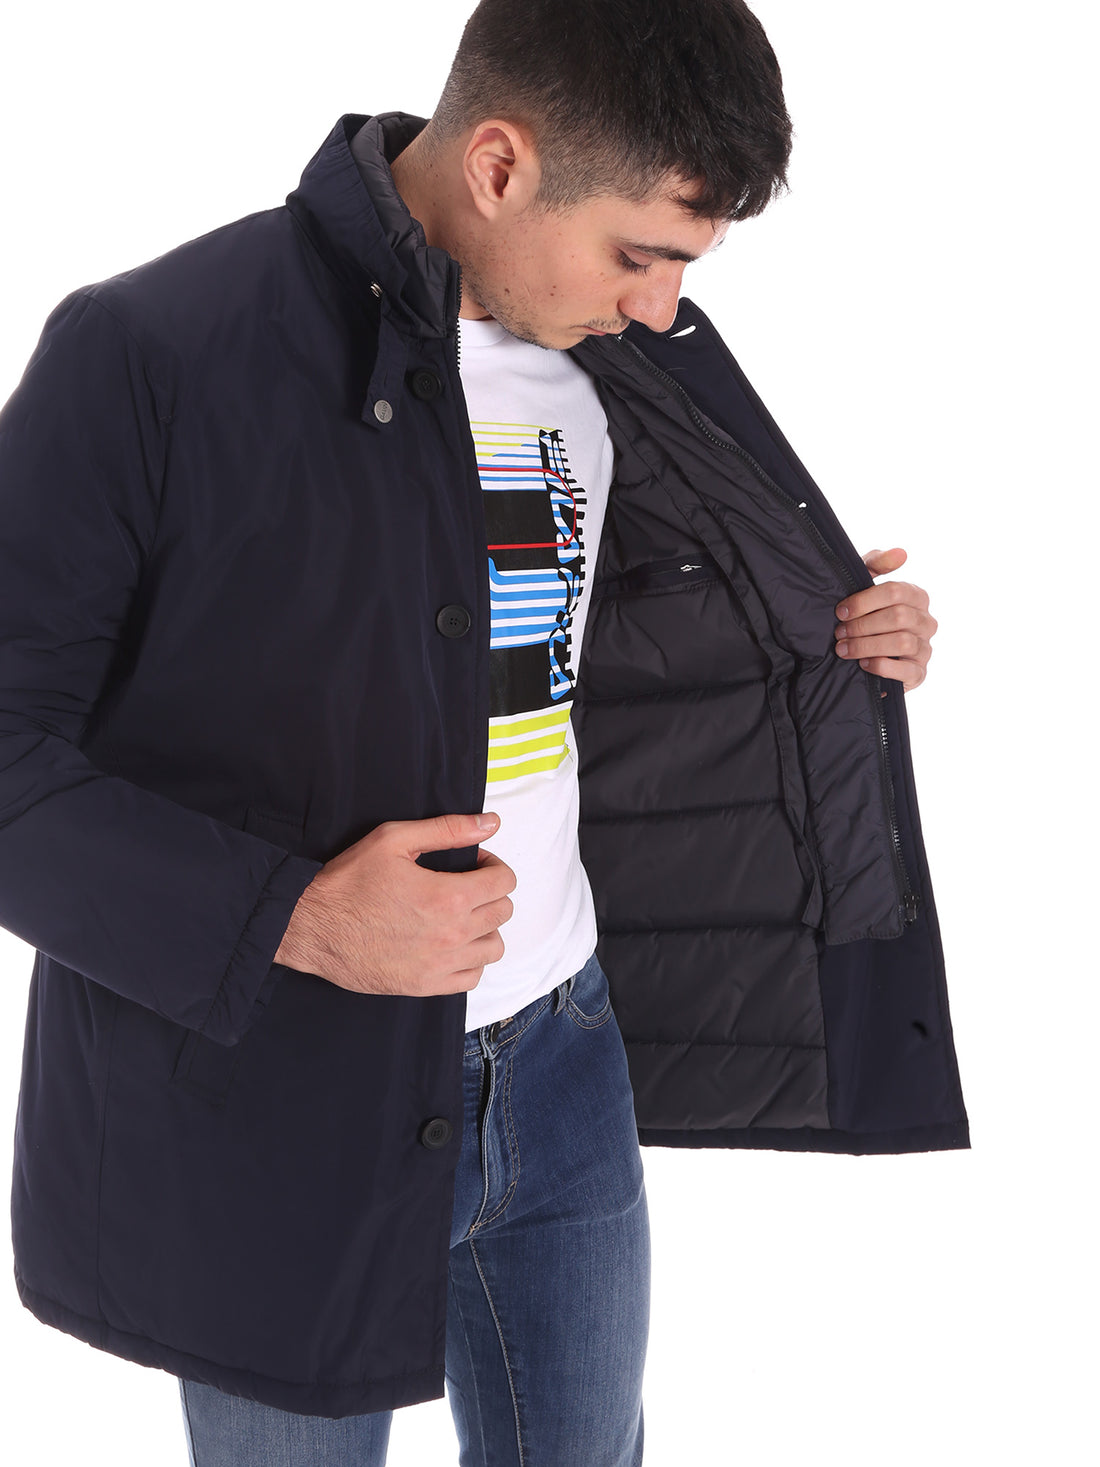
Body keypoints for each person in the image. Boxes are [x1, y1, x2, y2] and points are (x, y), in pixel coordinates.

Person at [0, 1, 967, 1463]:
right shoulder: (153, 351)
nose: (661, 304)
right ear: (501, 166)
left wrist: (831, 641)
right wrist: (294, 918)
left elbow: (563, 649)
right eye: (639, 253)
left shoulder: (612, 366)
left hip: (565, 1051)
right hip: (280, 1092)